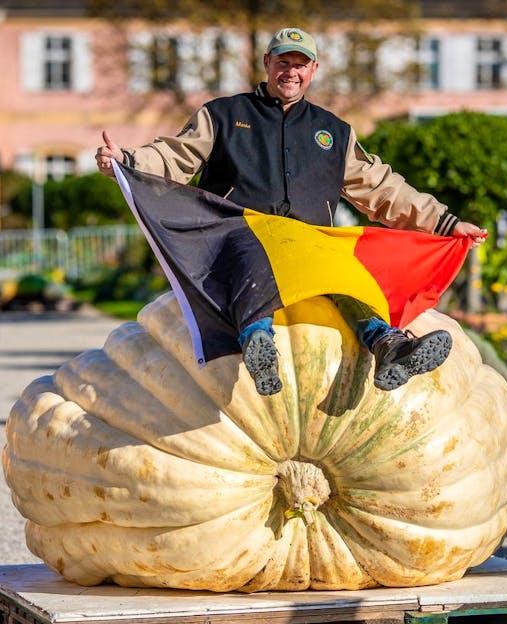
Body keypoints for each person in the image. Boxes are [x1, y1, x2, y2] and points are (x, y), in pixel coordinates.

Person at [96, 27, 487, 396]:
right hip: (240, 232)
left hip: (312, 243)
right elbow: (174, 155)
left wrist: (445, 222)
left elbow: (382, 187)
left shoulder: (333, 131)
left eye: (301, 64)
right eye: (283, 62)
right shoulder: (222, 115)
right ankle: (258, 342)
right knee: (259, 254)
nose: (291, 72)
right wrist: (127, 161)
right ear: (267, 63)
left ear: (313, 70)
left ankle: (387, 344)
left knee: (348, 277)